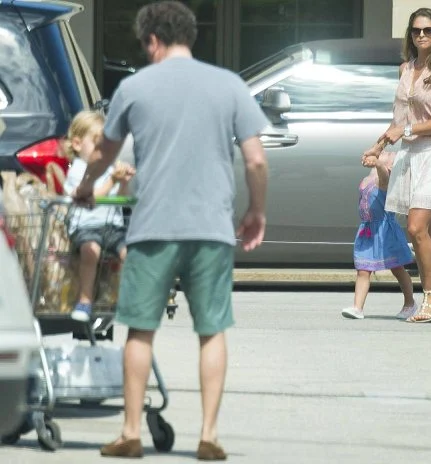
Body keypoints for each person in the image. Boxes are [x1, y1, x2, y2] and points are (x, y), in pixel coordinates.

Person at [71, 1, 269, 460]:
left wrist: (84, 186)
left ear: (152, 41)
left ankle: (131, 432)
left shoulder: (134, 88)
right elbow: (257, 159)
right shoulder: (230, 85)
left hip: (152, 228)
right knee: (212, 330)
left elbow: (104, 153)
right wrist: (256, 211)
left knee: (139, 330)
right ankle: (209, 436)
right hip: (211, 229)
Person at [362, 7, 431, 323]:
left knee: (416, 227)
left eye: (428, 30)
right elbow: (399, 118)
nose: (422, 35)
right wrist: (379, 146)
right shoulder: (405, 68)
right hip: (410, 155)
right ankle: (429, 302)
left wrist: (403, 132)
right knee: (423, 234)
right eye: (416, 31)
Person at [62, 110, 135, 323]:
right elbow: (90, 196)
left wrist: (123, 182)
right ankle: (85, 300)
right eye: (96, 143)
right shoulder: (78, 169)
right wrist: (112, 180)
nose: (101, 150)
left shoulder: (109, 168)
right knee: (90, 251)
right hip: (86, 226)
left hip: (112, 226)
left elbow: (120, 200)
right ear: (77, 144)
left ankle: (129, 299)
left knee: (131, 255)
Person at [341, 146, 416, 320]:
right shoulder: (368, 178)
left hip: (385, 232)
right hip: (367, 230)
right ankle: (357, 307)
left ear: (391, 166)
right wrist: (371, 156)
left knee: (397, 268)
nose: (386, 152)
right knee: (363, 269)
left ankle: (410, 303)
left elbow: (382, 172)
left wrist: (379, 164)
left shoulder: (385, 180)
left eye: (389, 155)